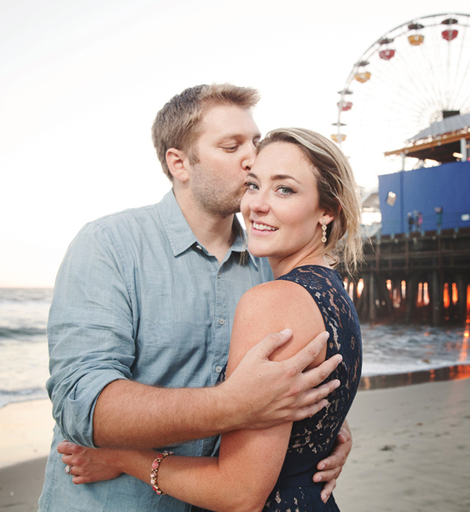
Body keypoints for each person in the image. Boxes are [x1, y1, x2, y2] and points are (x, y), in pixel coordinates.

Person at [39, 86, 352, 511]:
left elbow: (293, 377)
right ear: (179, 163)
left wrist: (323, 426)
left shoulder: (270, 263)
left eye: (255, 143)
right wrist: (232, 405)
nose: (251, 157)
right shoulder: (109, 245)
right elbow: (83, 404)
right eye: (231, 145)